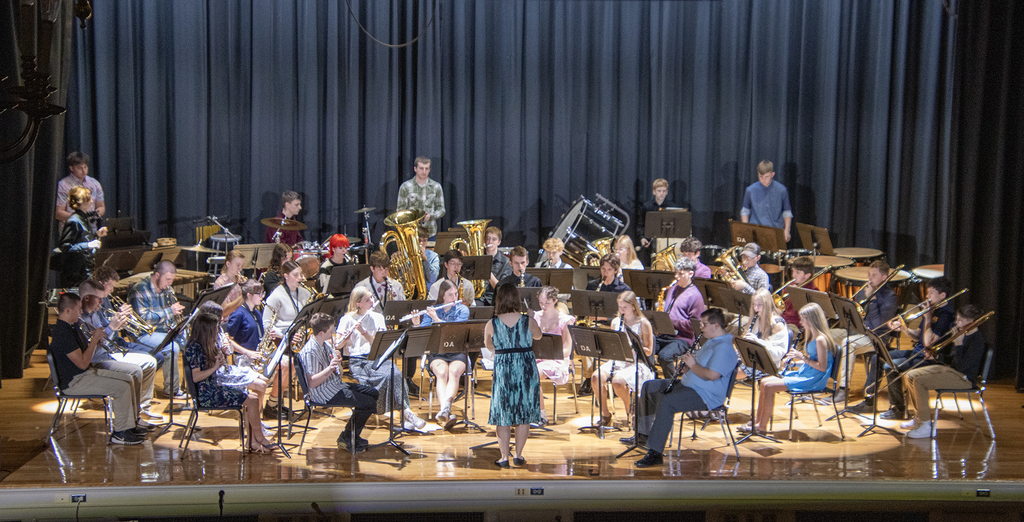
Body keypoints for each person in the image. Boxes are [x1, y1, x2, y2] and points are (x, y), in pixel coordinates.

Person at [629, 308, 739, 467]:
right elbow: (700, 365)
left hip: (706, 395)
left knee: (668, 402)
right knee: (650, 387)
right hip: (689, 385)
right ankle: (643, 436)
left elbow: (712, 375)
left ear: (716, 325)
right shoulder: (711, 341)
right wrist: (687, 367)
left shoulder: (724, 347)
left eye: (704, 324)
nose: (700, 327)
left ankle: (655, 453)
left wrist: (692, 365)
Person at [849, 277, 956, 419]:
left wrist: (928, 318)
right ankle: (869, 402)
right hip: (916, 352)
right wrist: (904, 329)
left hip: (930, 358)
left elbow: (928, 343)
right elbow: (918, 335)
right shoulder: (932, 309)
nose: (927, 296)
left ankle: (898, 409)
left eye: (931, 293)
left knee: (890, 366)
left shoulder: (946, 316)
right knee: (878, 356)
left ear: (942, 295)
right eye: (927, 292)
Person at [49, 293, 147, 445]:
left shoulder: (71, 327)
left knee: (129, 378)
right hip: (74, 381)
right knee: (121, 388)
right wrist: (94, 341)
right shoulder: (63, 333)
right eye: (78, 309)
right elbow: (82, 363)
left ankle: (130, 425)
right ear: (68, 311)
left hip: (84, 373)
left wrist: (95, 339)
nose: (81, 312)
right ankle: (120, 433)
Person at [183, 312, 277, 453]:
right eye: (215, 329)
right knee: (252, 400)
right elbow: (196, 377)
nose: (217, 332)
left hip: (213, 387)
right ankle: (259, 438)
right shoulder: (194, 348)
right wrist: (215, 367)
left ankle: (252, 442)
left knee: (253, 397)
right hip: (207, 394)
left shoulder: (203, 345)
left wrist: (220, 358)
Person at [336, 287, 426, 431]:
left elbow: (379, 344)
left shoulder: (378, 317)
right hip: (358, 361)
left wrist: (364, 333)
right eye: (367, 300)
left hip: (377, 357)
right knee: (384, 377)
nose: (372, 301)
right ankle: (405, 414)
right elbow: (337, 345)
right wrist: (346, 337)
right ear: (358, 303)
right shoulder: (347, 319)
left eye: (371, 297)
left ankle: (406, 413)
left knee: (396, 374)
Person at [743, 302, 837, 434]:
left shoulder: (821, 340)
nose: (800, 322)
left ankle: (762, 427)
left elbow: (822, 367)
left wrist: (801, 357)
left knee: (769, 386)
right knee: (764, 381)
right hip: (807, 373)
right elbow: (812, 362)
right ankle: (757, 422)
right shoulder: (812, 336)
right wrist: (794, 364)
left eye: (803, 319)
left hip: (814, 379)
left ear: (812, 320)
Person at [77, 280, 162, 422]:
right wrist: (111, 328)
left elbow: (103, 340)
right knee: (137, 370)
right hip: (97, 361)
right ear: (86, 298)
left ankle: (142, 408)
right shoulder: (79, 319)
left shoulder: (94, 314)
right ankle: (134, 414)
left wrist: (115, 327)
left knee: (151, 362)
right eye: (99, 298)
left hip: (107, 354)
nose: (102, 302)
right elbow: (94, 349)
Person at [901, 305, 988, 438]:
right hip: (953, 371)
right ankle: (919, 417)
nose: (956, 323)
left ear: (972, 322)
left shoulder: (977, 341)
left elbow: (962, 367)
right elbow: (951, 360)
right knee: (910, 375)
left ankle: (925, 425)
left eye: (960, 320)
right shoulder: (963, 334)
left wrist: (958, 345)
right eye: (957, 319)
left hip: (964, 379)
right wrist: (936, 356)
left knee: (919, 381)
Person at [297, 313, 380, 452]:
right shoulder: (310, 351)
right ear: (321, 333)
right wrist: (330, 368)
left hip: (335, 385)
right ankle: (347, 437)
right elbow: (312, 383)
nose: (333, 333)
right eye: (331, 331)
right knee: (368, 402)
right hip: (323, 393)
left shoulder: (325, 345)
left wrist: (338, 363)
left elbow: (339, 374)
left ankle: (351, 435)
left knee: (373, 393)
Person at [484, 283, 543, 467]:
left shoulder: (492, 323)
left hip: (504, 368)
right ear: (517, 299)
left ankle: (504, 457)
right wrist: (532, 318)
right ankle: (518, 455)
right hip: (525, 367)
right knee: (523, 412)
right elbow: (538, 336)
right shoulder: (527, 321)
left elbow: (489, 345)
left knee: (503, 413)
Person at [831, 260, 898, 402]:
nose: (869, 278)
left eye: (874, 275)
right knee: (826, 335)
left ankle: (843, 389)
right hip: (858, 332)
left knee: (848, 343)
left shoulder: (890, 297)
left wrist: (872, 300)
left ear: (884, 277)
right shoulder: (864, 291)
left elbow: (879, 325)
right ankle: (820, 380)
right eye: (869, 274)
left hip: (876, 337)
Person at [593, 291, 655, 428]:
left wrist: (632, 347)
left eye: (625, 307)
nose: (621, 310)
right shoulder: (616, 322)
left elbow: (649, 350)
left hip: (636, 362)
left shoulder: (643, 323)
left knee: (617, 382)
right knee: (596, 377)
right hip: (618, 360)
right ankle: (605, 414)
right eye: (620, 307)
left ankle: (630, 411)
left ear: (633, 306)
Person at [414, 280, 470, 429]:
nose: (454, 297)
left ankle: (445, 410)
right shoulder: (433, 310)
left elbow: (454, 332)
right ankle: (445, 411)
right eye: (450, 295)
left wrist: (437, 320)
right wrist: (416, 323)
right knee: (442, 372)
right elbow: (425, 333)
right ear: (442, 296)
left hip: (456, 350)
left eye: (456, 294)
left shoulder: (463, 310)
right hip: (437, 352)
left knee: (454, 372)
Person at [130, 261, 185, 399]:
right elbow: (143, 319)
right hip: (145, 334)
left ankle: (192, 386)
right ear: (157, 275)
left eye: (172, 280)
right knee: (172, 348)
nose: (170, 283)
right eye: (167, 279)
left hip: (164, 331)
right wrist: (170, 311)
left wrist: (177, 326)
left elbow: (171, 316)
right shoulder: (140, 290)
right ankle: (171, 390)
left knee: (192, 340)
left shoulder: (167, 289)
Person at [653, 257, 706, 379]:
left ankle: (671, 384)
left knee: (664, 356)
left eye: (680, 274)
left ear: (690, 274)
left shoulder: (695, 295)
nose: (676, 276)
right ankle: (654, 377)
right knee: (645, 348)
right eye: (676, 273)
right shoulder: (672, 289)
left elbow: (696, 325)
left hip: (683, 338)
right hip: (666, 334)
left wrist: (672, 322)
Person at [532, 286, 575, 425]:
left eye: (547, 303)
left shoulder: (565, 320)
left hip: (557, 360)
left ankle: (541, 415)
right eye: (540, 303)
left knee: (532, 373)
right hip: (537, 358)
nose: (543, 306)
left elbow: (567, 350)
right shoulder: (535, 316)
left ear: (555, 301)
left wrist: (548, 354)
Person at [54, 186, 107, 287]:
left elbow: (83, 239)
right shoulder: (73, 221)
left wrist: (97, 235)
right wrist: (88, 245)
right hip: (76, 274)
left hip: (86, 271)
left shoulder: (84, 219)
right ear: (81, 201)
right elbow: (65, 248)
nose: (91, 201)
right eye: (88, 199)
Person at [737, 289, 790, 377]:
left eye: (759, 305)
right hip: (752, 357)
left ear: (767, 305)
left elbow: (779, 354)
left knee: (733, 373)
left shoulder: (777, 324)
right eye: (754, 304)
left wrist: (758, 342)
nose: (756, 308)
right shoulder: (757, 318)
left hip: (767, 364)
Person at [741, 160, 792, 243]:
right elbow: (745, 211)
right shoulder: (750, 190)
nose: (763, 180)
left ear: (772, 174)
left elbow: (787, 212)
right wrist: (746, 228)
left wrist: (787, 230)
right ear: (758, 174)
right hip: (756, 231)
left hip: (776, 231)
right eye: (761, 176)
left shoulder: (781, 190)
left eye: (767, 177)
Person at [396, 156, 446, 237]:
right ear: (415, 169)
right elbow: (400, 211)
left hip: (430, 232)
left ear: (429, 170)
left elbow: (441, 209)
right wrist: (413, 218)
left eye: (426, 168)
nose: (424, 171)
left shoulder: (436, 186)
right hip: (411, 232)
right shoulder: (405, 186)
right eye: (421, 168)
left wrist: (431, 215)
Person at [262, 260, 312, 337]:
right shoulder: (276, 295)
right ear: (286, 276)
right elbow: (266, 323)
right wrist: (285, 336)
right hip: (282, 337)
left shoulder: (306, 293)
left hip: (300, 335)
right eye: (295, 275)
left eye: (301, 274)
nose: (300, 278)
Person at [55, 151, 105, 224]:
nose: (84, 171)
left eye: (85, 167)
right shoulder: (63, 185)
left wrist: (95, 215)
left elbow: (101, 207)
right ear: (71, 168)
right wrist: (79, 218)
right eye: (79, 168)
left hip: (91, 227)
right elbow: (58, 213)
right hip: (72, 228)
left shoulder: (94, 183)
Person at [638, 178, 677, 265]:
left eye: (664, 191)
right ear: (654, 192)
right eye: (659, 191)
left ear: (667, 192)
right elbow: (641, 225)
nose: (661, 193)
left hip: (666, 243)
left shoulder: (672, 206)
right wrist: (642, 238)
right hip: (649, 244)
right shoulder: (647, 206)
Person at [354, 251, 405, 315]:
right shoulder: (361, 287)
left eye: (386, 269)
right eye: (380, 270)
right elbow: (354, 312)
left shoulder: (397, 285)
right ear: (372, 269)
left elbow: (403, 310)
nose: (384, 273)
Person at [478, 226, 513, 306]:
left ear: (499, 242)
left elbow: (502, 289)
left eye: (494, 239)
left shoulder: (506, 262)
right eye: (488, 239)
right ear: (484, 240)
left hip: (496, 299)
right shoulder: (478, 258)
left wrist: (487, 272)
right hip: (478, 299)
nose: (490, 242)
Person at [780, 257, 818, 326]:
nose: (793, 275)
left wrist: (797, 294)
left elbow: (808, 315)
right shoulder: (790, 285)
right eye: (793, 271)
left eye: (797, 272)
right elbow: (783, 307)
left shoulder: (813, 290)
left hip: (797, 325)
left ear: (807, 275)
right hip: (784, 320)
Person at [213, 250, 246, 318]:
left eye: (241, 266)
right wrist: (243, 295)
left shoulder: (241, 279)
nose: (240, 269)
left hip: (241, 318)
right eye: (238, 265)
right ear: (228, 264)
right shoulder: (220, 283)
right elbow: (224, 312)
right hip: (228, 321)